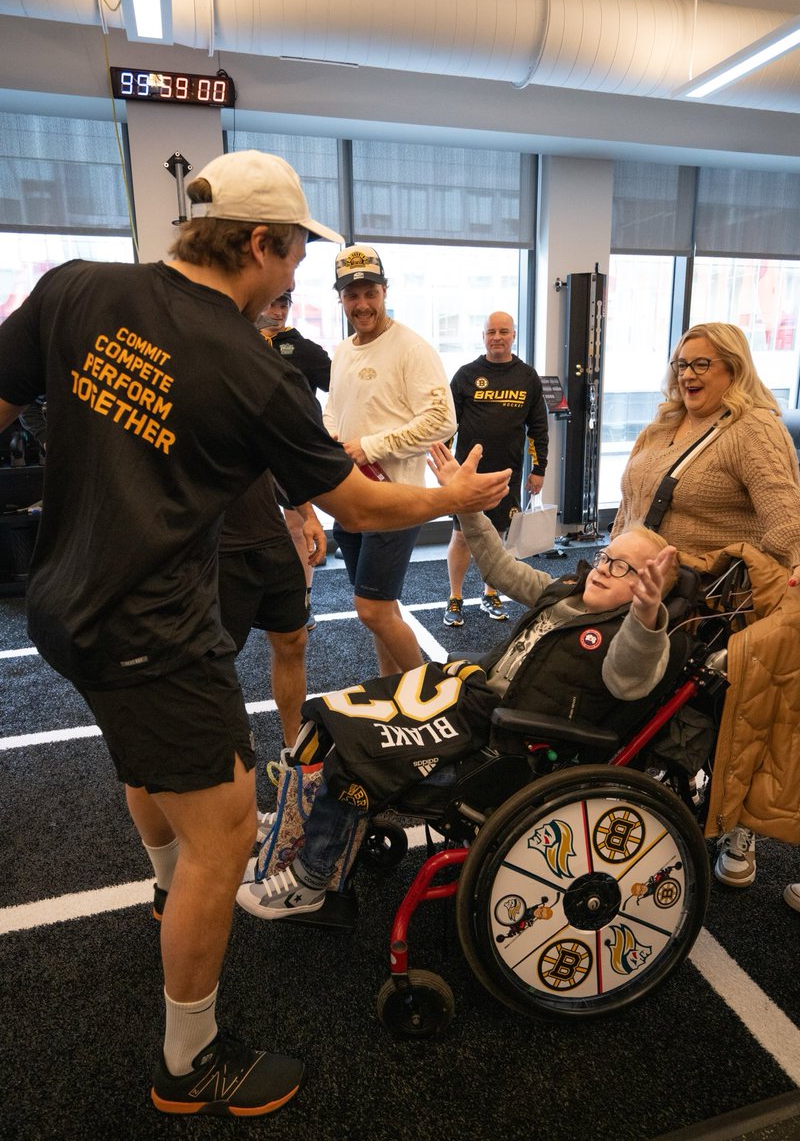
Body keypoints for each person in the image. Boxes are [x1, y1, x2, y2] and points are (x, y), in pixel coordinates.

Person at [0, 149, 511, 1117]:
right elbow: (356, 507)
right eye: (294, 259)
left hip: (61, 607)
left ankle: (164, 894)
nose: (298, 279)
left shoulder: (75, 288)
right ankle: (190, 1061)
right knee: (228, 829)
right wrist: (454, 497)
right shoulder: (248, 365)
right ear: (261, 244)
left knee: (144, 766)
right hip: (152, 630)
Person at [237, 441, 677, 922]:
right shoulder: (565, 592)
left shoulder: (629, 634)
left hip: (500, 745)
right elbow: (500, 568)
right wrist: (463, 504)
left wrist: (646, 617)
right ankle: (294, 823)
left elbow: (631, 677)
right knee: (338, 715)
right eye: (605, 557)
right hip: (469, 704)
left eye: (623, 568)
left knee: (356, 755)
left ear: (647, 591)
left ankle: (311, 881)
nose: (603, 569)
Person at [611, 321, 800, 893]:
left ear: (734, 370)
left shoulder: (754, 430)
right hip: (641, 584)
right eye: (681, 364)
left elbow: (784, 518)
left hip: (713, 598)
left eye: (702, 364)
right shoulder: (661, 426)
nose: (687, 374)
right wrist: (610, 563)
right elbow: (630, 510)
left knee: (722, 714)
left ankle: (738, 823)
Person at [323, 243, 456, 676]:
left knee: (372, 610)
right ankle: (391, 687)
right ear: (340, 297)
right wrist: (330, 435)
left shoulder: (411, 349)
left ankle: (431, 693)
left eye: (370, 293)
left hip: (394, 500)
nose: (362, 304)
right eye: (351, 295)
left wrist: (373, 445)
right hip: (352, 499)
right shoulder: (342, 352)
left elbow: (442, 420)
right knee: (382, 608)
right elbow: (335, 411)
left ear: (384, 290)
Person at [444, 310, 548, 626]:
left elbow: (539, 426)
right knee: (462, 536)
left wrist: (539, 468)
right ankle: (455, 597)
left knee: (498, 536)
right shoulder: (465, 375)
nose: (497, 337)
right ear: (484, 336)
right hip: (468, 476)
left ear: (513, 335)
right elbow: (447, 424)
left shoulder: (527, 377)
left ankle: (491, 593)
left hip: (508, 474)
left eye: (504, 331)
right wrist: (446, 469)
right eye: (491, 332)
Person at [217, 467, 325, 746]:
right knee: (214, 658)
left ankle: (294, 749)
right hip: (215, 547)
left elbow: (278, 459)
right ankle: (221, 750)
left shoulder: (256, 420)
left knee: (293, 640)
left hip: (271, 538)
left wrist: (309, 515)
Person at [256, 291, 331, 630]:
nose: (277, 311)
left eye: (283, 304)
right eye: (271, 303)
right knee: (253, 529)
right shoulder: (242, 342)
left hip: (290, 451)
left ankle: (303, 598)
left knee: (296, 526)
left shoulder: (301, 348)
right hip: (247, 452)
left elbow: (342, 385)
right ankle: (260, 595)